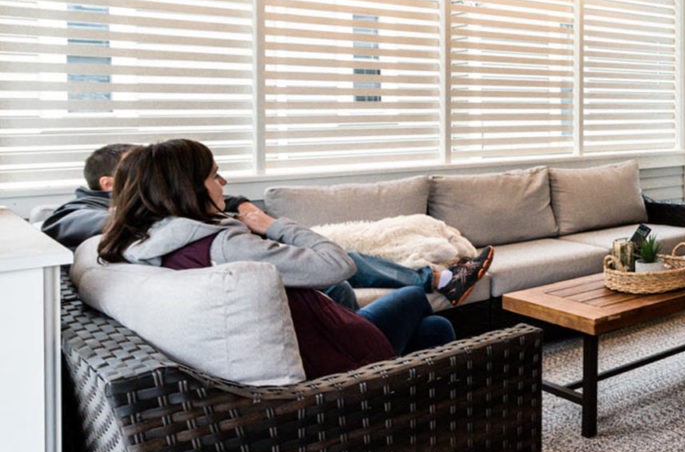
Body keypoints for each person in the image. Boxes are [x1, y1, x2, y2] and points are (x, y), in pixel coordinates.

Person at [97, 139, 455, 379]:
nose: (223, 181)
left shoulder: (145, 243)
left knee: (434, 330)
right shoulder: (224, 245)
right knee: (416, 304)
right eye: (214, 174)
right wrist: (272, 225)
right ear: (186, 187)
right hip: (333, 359)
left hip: (312, 341)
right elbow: (338, 264)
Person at [44, 142, 492, 306]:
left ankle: (435, 276)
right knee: (346, 267)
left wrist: (243, 213)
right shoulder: (76, 215)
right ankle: (434, 278)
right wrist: (263, 223)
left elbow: (231, 203)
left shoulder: (168, 220)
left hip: (263, 247)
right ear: (110, 182)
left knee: (342, 274)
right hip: (264, 250)